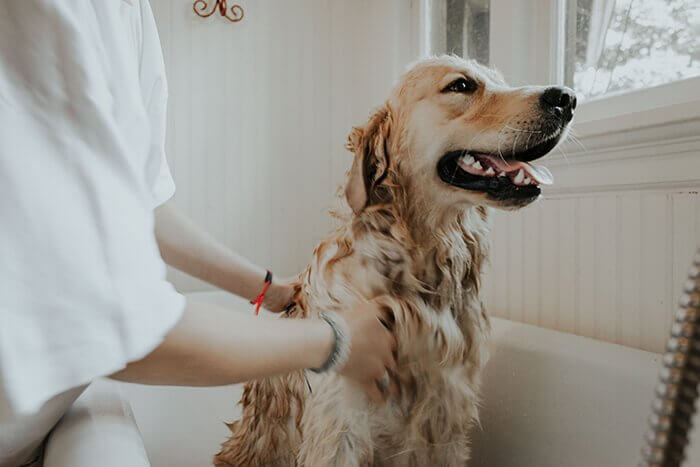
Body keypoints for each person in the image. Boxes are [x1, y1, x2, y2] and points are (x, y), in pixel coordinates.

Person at [0, 1, 396, 466]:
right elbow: (110, 322)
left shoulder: (129, 14)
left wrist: (268, 289)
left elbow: (142, 208)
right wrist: (334, 343)